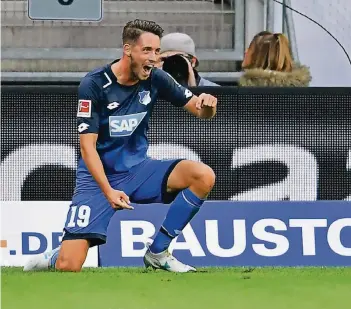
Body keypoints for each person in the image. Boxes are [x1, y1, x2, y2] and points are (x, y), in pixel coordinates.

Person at [23, 19, 217, 273]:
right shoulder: (94, 84)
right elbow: (87, 148)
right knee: (68, 266)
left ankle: (158, 252)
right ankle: (56, 255)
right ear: (128, 50)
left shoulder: (157, 78)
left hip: (139, 170)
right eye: (147, 50)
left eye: (157, 51)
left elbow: (199, 111)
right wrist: (108, 191)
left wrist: (208, 106)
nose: (153, 58)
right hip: (98, 178)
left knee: (203, 176)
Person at [239, 32, 312, 87]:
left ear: (261, 57)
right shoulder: (300, 93)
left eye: (250, 49)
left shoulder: (248, 94)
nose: (245, 51)